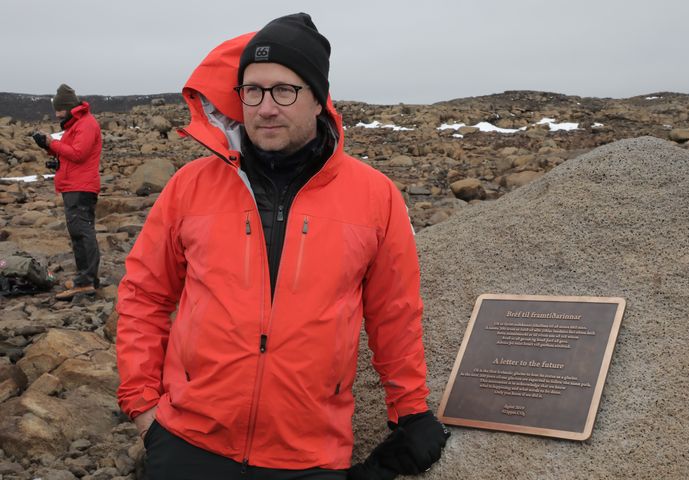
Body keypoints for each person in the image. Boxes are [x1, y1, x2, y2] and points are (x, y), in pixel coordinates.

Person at [116, 12, 449, 480]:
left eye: (284, 90)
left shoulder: (375, 197)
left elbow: (394, 313)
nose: (265, 106)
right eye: (252, 90)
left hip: (308, 454)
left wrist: (410, 410)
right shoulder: (189, 187)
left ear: (318, 100)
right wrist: (144, 409)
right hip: (188, 443)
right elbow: (144, 295)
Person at [31, 84, 102, 300]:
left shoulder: (86, 124)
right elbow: (69, 153)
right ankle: (85, 277)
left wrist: (54, 142)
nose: (57, 114)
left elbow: (78, 154)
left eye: (59, 109)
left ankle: (87, 279)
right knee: (78, 232)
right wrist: (48, 146)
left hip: (81, 186)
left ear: (69, 107)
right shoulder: (77, 125)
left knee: (83, 231)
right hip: (73, 185)